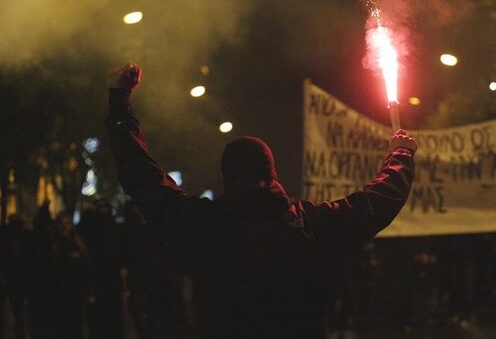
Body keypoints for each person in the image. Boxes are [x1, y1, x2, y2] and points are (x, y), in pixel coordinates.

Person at [105, 63, 417, 338]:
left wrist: (120, 103)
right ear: (272, 172)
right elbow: (377, 202)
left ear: (227, 177)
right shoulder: (308, 225)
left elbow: (141, 176)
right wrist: (400, 154)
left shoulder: (202, 224)